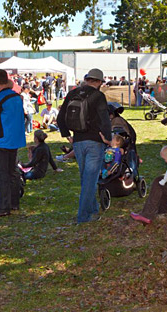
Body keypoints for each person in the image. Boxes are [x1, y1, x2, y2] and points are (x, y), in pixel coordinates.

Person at [57, 68, 112, 224]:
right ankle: (83, 217)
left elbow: (61, 117)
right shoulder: (98, 96)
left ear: (87, 79)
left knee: (86, 178)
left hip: (78, 141)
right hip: (95, 141)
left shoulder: (73, 93)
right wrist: (108, 138)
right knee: (90, 179)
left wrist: (67, 136)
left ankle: (93, 211)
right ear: (99, 82)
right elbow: (104, 119)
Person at [0, 69, 26, 218]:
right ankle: (14, 203)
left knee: (2, 175)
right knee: (13, 172)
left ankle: (4, 207)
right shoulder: (16, 97)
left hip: (1, 140)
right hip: (14, 139)